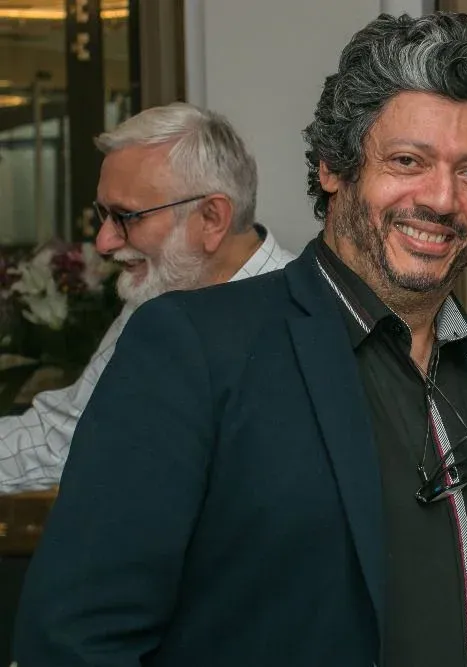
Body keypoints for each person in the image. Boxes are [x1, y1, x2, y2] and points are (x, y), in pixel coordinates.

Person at [13, 13, 467, 667]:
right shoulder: (192, 351)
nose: (442, 199)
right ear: (334, 166)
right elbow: (75, 642)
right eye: (408, 161)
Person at [0, 102, 293, 494]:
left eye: (127, 216)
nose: (103, 242)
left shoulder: (309, 319)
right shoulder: (154, 297)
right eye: (103, 214)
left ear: (211, 218)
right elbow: (68, 434)